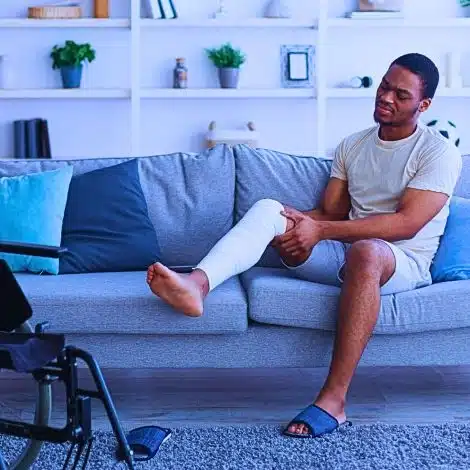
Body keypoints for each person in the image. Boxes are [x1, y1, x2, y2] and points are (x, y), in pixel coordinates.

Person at [146, 53, 462, 438]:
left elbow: (406, 223)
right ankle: (196, 285)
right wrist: (296, 226)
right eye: (384, 86)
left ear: (423, 105)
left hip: (401, 262)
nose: (386, 98)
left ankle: (334, 400)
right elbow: (331, 212)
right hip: (347, 253)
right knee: (268, 208)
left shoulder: (437, 151)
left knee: (367, 250)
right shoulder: (352, 145)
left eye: (401, 94)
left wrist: (321, 232)